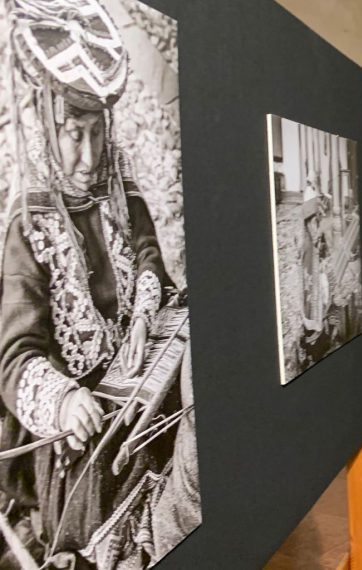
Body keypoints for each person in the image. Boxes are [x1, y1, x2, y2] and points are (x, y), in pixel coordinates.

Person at [0, 1, 189, 565]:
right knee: (109, 485)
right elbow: (15, 356)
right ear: (46, 129)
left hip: (138, 379)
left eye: (97, 134)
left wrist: (145, 309)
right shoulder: (26, 226)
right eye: (72, 135)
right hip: (78, 426)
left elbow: (149, 253)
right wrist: (64, 402)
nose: (88, 157)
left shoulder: (117, 190)